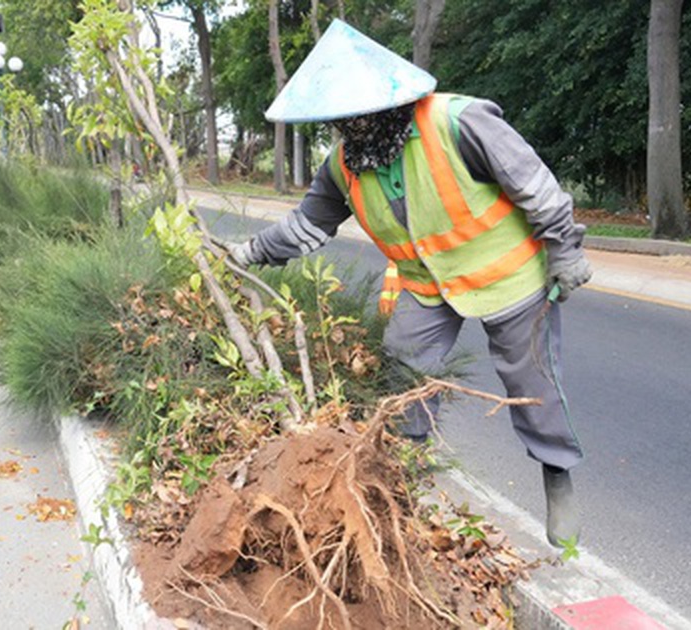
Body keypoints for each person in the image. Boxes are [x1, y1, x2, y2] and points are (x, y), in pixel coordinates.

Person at [227, 20, 592, 548]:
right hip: (426, 286)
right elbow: (308, 225)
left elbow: (536, 187)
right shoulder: (344, 166)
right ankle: (408, 474)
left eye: (358, 113)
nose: (350, 126)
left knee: (532, 382)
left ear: (387, 100)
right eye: (339, 118)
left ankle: (557, 476)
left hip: (507, 275)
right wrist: (250, 252)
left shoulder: (459, 122)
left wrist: (565, 249)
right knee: (402, 373)